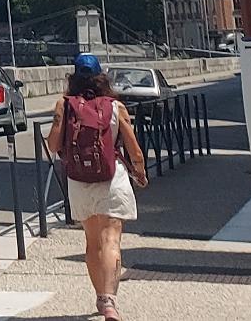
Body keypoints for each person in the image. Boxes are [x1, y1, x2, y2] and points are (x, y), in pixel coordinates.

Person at [48, 53, 149, 321]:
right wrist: (139, 172)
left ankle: (101, 298)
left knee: (92, 241)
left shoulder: (64, 105)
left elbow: (53, 145)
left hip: (79, 181)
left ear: (73, 78)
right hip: (111, 179)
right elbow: (134, 149)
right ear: (101, 78)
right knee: (111, 240)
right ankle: (109, 301)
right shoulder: (116, 107)